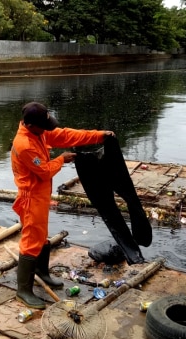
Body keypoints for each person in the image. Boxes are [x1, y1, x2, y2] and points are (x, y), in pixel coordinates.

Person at [10, 101, 115, 309]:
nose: (48, 130)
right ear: (31, 125)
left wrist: (99, 135)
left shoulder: (39, 133)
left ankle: (41, 272)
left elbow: (67, 135)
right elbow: (45, 171)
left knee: (41, 236)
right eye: (45, 126)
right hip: (31, 197)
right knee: (32, 241)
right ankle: (23, 291)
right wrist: (62, 159)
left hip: (41, 195)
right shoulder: (25, 145)